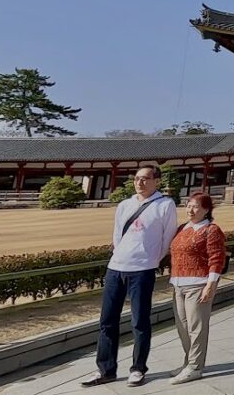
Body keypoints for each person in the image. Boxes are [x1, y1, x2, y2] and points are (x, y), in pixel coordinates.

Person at [83, 166, 179, 388]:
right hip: (116, 267)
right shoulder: (125, 204)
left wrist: (152, 260)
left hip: (142, 269)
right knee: (107, 321)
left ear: (156, 181)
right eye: (137, 179)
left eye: (145, 179)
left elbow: (168, 237)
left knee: (140, 321)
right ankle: (105, 369)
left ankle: (138, 368)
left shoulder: (165, 204)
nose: (140, 183)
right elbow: (117, 233)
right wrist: (119, 254)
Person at [167, 193, 227, 385]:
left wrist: (211, 284)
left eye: (195, 207)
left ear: (206, 210)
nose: (190, 210)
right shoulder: (182, 229)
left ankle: (195, 366)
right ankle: (188, 361)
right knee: (182, 327)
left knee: (196, 327)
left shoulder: (211, 230)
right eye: (188, 206)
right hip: (178, 283)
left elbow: (216, 258)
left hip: (198, 283)